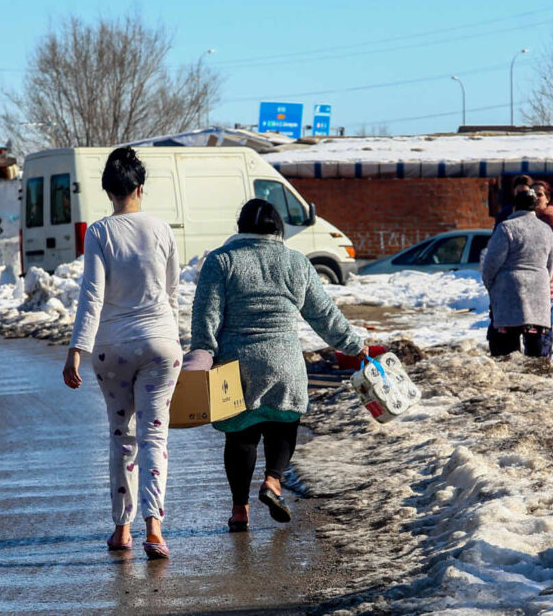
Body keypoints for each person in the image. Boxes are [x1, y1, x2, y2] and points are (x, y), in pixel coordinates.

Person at [190, 198, 368, 533]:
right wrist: (354, 346)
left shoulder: (222, 261)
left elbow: (206, 318)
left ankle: (239, 510)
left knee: (240, 435)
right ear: (278, 228)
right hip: (285, 362)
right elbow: (324, 315)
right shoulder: (296, 262)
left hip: (236, 364)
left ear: (240, 226)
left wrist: (202, 355)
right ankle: (273, 481)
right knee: (283, 423)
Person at [62, 147, 182, 560]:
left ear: (108, 191)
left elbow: (92, 296)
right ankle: (155, 528)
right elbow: (172, 294)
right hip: (161, 346)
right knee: (155, 437)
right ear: (140, 188)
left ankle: (121, 530)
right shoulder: (162, 229)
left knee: (121, 437)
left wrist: (77, 350)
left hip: (112, 348)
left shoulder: (99, 232)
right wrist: (175, 337)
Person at [482, 189, 553, 358]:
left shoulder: (506, 228)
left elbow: (491, 264)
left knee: (506, 351)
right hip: (538, 295)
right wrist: (542, 282)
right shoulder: (546, 230)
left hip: (510, 292)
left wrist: (491, 286)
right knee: (535, 349)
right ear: (534, 208)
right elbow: (550, 265)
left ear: (514, 208)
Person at [531, 180, 553, 300]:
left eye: (539, 194)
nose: (535, 197)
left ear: (547, 198)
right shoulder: (528, 218)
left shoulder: (552, 219)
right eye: (532, 194)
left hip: (547, 278)